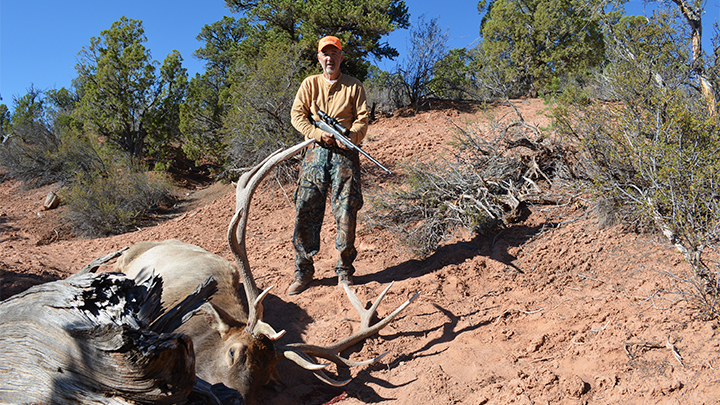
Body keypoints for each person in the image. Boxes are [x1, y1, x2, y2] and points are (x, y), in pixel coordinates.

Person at [287, 35, 369, 295]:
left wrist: (351, 137)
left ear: (341, 57)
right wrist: (316, 133)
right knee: (306, 208)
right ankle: (304, 271)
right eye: (325, 54)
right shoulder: (309, 84)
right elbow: (297, 115)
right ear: (319, 58)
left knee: (347, 211)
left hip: (346, 155)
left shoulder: (354, 86)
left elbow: (362, 119)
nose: (330, 58)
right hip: (316, 152)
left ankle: (344, 271)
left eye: (335, 54)